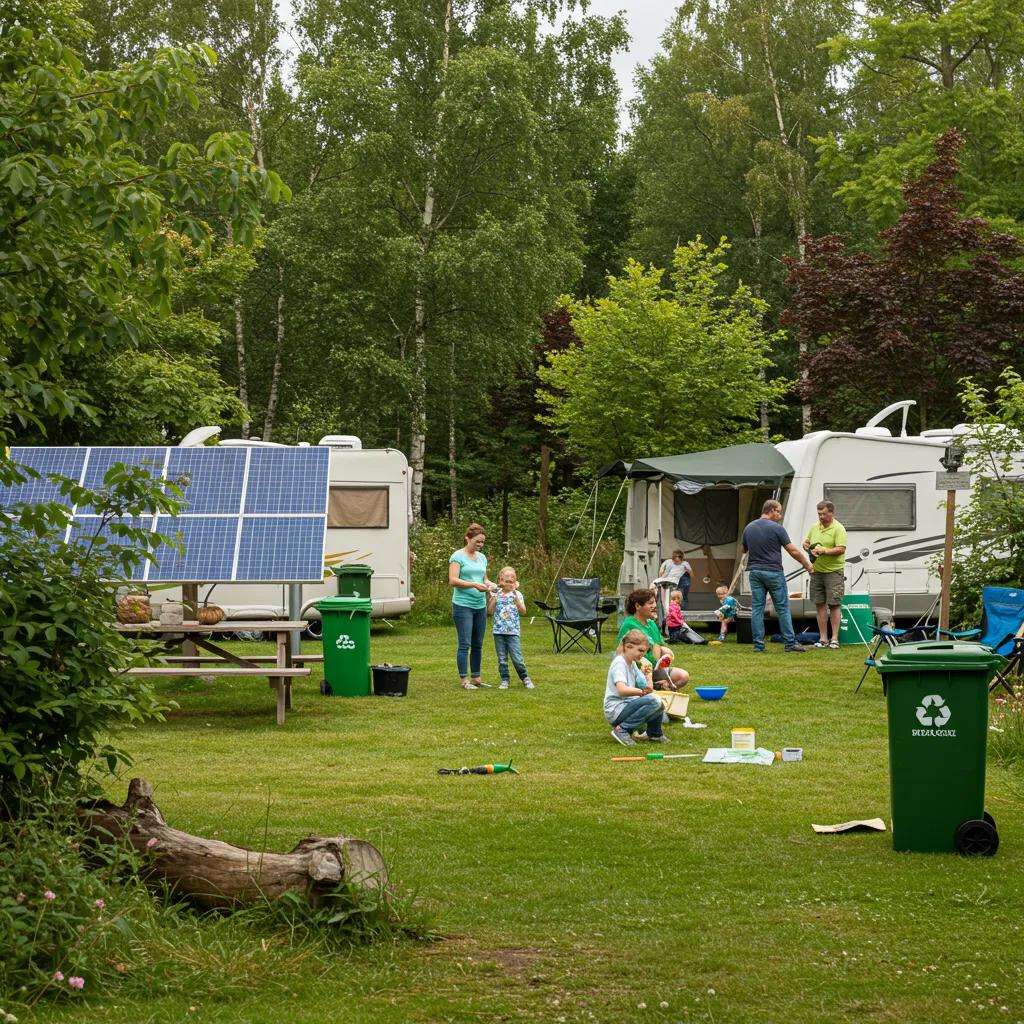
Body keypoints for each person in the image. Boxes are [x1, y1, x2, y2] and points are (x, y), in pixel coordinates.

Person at [741, 499, 814, 653]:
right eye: (779, 511)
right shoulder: (777, 528)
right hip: (773, 572)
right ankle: (790, 644)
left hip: (755, 573)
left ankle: (758, 646)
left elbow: (744, 550)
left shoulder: (748, 528)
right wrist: (807, 564)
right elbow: (792, 551)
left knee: (757, 609)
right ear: (772, 509)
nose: (780, 515)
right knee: (782, 608)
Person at [448, 523, 494, 689]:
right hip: (462, 606)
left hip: (479, 606)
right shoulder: (457, 556)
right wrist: (473, 585)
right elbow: (453, 580)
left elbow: (484, 578)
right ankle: (464, 680)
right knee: (464, 644)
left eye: (482, 542)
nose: (480, 545)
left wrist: (490, 585)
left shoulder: (482, 557)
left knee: (477, 644)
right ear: (468, 538)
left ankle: (476, 678)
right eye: (477, 542)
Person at [604, 629, 667, 746]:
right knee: (653, 700)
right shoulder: (619, 663)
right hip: (616, 710)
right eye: (640, 650)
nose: (643, 654)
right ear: (628, 646)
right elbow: (622, 690)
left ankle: (654, 733)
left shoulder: (632, 663)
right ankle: (622, 729)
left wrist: (649, 675)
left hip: (627, 705)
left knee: (658, 700)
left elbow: (647, 688)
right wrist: (642, 692)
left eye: (645, 651)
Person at [616, 588, 690, 689]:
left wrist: (665, 653)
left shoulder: (651, 623)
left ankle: (658, 689)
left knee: (683, 676)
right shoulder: (629, 625)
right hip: (636, 672)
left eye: (654, 602)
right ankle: (655, 688)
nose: (654, 606)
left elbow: (658, 647)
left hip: (652, 670)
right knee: (658, 685)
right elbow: (620, 654)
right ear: (638, 606)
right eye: (650, 603)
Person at [803, 500, 848, 649]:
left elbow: (841, 548)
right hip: (816, 571)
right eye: (819, 514)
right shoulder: (815, 527)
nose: (821, 516)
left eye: (823, 514)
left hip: (834, 572)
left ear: (831, 513)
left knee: (834, 604)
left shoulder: (838, 528)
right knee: (819, 604)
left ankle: (834, 639)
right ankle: (823, 639)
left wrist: (825, 551)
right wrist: (806, 545)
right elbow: (808, 542)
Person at [488, 566, 534, 689]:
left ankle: (525, 678)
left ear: (515, 583)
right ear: (500, 580)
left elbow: (523, 611)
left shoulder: (517, 594)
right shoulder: (496, 593)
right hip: (498, 631)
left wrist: (516, 600)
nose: (508, 584)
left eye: (511, 582)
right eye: (505, 581)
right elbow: (490, 611)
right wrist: (494, 598)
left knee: (517, 658)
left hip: (513, 632)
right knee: (502, 659)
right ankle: (505, 680)